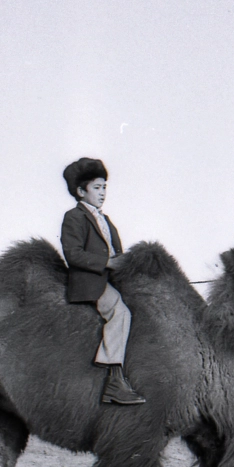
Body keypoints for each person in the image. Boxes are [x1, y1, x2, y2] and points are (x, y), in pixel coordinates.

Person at [60, 157, 146, 405]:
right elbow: (73, 254)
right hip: (91, 282)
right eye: (97, 188)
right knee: (120, 313)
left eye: (104, 187)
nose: (103, 193)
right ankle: (114, 382)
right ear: (80, 191)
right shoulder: (74, 217)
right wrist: (107, 263)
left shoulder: (105, 220)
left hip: (109, 278)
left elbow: (117, 252)